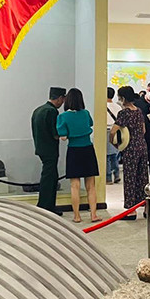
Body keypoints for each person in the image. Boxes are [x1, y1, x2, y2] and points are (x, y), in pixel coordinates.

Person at [57, 88, 99, 223]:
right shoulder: (85, 113)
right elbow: (90, 124)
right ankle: (93, 215)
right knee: (91, 186)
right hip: (88, 149)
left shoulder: (63, 117)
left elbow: (63, 137)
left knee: (74, 186)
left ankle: (77, 216)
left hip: (74, 150)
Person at [111, 86, 149, 220]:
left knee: (130, 178)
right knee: (143, 177)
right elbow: (143, 130)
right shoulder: (138, 111)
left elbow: (113, 131)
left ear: (123, 98)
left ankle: (131, 210)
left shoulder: (124, 113)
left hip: (130, 148)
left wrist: (115, 144)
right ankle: (146, 207)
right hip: (142, 146)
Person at [31, 87, 66, 214]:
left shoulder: (38, 110)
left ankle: (46, 205)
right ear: (60, 98)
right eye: (63, 99)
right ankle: (46, 206)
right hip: (50, 149)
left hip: (41, 147)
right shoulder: (52, 111)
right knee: (50, 178)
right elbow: (55, 133)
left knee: (49, 176)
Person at [105, 87, 121, 184]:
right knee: (114, 154)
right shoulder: (118, 107)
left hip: (106, 131)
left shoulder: (103, 106)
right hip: (116, 131)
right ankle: (117, 174)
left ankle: (108, 178)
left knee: (107, 156)